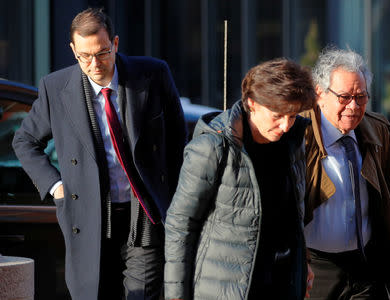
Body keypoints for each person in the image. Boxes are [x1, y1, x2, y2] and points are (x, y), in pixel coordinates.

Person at [13, 8, 187, 300]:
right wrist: (56, 187)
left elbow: (178, 139)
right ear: (73, 50)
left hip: (143, 213)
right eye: (84, 56)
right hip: (89, 215)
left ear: (115, 44)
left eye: (103, 53)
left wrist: (173, 195)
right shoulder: (55, 88)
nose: (94, 64)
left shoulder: (153, 74)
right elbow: (25, 141)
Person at [164, 58, 315, 300]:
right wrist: (175, 295)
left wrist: (302, 263)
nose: (286, 125)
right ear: (252, 103)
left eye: (293, 115)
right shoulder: (213, 146)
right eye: (277, 115)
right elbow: (181, 223)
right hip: (225, 287)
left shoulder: (293, 142)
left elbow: (294, 213)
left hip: (282, 283)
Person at [300, 47, 390, 299]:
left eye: (361, 97)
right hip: (315, 268)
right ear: (319, 93)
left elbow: (389, 191)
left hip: (365, 264)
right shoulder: (301, 135)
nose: (353, 106)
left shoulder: (377, 131)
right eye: (344, 97)